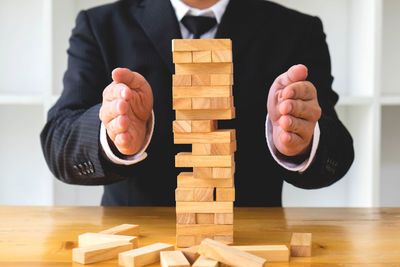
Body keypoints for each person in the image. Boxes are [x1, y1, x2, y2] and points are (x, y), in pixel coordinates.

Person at [40, 0, 354, 206]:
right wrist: (113, 134)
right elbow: (58, 142)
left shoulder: (297, 30)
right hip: (137, 240)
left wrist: (302, 142)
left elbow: (337, 153)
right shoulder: (99, 25)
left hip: (251, 241)